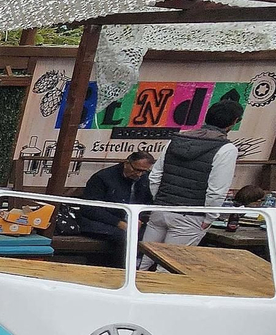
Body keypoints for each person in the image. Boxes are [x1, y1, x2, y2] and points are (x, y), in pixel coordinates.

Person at [143, 98, 243, 258]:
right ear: (234, 122)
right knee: (170, 266)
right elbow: (216, 190)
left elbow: (155, 176)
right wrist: (210, 217)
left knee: (143, 261)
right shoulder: (227, 149)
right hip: (192, 215)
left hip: (161, 209)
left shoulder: (175, 139)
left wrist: (161, 201)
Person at [75, 150, 154, 265]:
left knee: (152, 234)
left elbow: (147, 203)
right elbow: (90, 209)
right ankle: (121, 271)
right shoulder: (102, 177)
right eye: (137, 170)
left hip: (130, 221)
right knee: (124, 237)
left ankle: (141, 268)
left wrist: (140, 218)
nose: (139, 174)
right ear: (127, 163)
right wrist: (118, 222)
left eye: (144, 171)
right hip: (100, 221)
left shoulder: (144, 179)